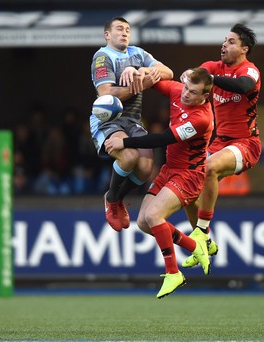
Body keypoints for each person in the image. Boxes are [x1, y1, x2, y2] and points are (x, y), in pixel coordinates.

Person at [105, 68, 214, 298]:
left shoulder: (201, 119)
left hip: (189, 175)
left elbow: (162, 139)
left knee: (154, 216)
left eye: (193, 92)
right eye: (185, 87)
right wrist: (137, 71)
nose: (185, 94)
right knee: (144, 223)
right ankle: (196, 247)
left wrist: (125, 143)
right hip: (169, 170)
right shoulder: (178, 90)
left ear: (204, 97)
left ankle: (173, 273)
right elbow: (154, 81)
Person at [180, 23, 262, 268]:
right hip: (219, 143)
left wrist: (212, 79)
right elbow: (194, 80)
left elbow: (243, 86)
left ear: (244, 49)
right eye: (225, 40)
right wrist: (188, 76)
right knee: (185, 187)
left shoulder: (251, 71)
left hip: (246, 144)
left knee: (209, 167)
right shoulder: (210, 67)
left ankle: (201, 230)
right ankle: (204, 240)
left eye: (231, 41)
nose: (224, 45)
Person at [90, 17, 174, 232]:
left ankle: (115, 198)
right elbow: (107, 93)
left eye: (127, 29)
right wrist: (142, 83)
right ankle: (112, 200)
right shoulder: (102, 57)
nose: (124, 32)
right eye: (119, 28)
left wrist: (140, 71)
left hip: (133, 120)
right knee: (129, 156)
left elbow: (167, 72)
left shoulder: (138, 53)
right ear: (107, 35)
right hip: (108, 119)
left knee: (146, 168)